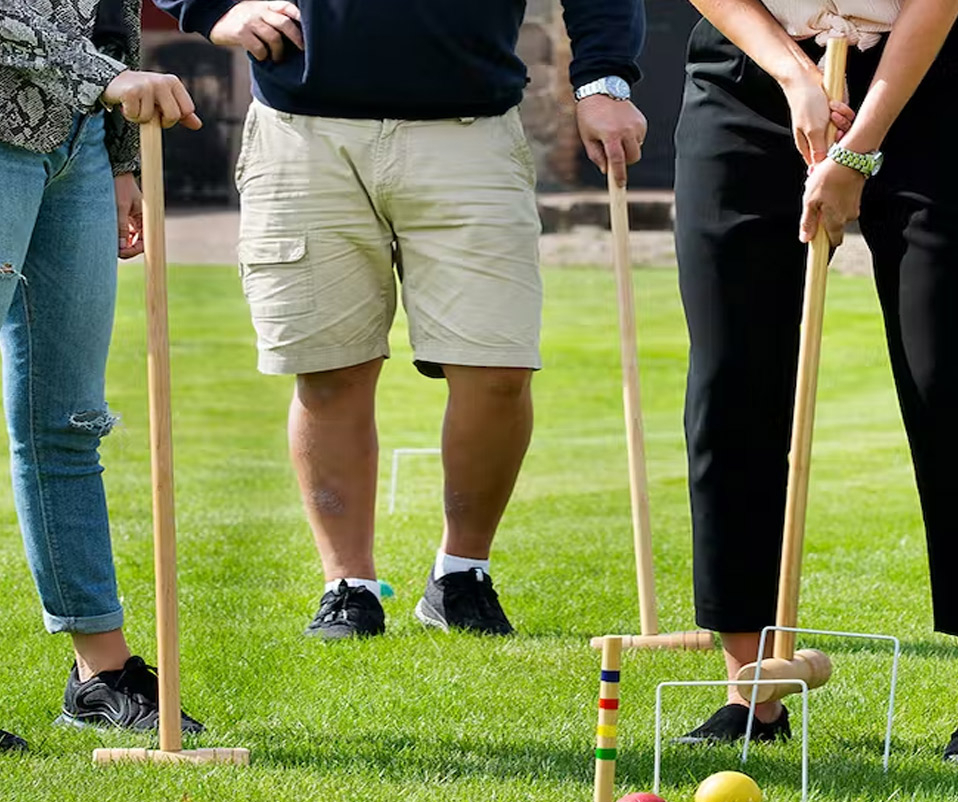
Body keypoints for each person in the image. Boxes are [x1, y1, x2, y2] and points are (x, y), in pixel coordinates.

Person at [155, 0, 648, 639]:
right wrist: (212, 7)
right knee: (329, 370)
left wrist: (602, 82)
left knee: (498, 369)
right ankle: (348, 586)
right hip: (303, 131)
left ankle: (461, 575)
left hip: (471, 127)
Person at [671, 0, 958, 762]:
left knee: (950, 382)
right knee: (728, 384)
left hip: (937, 82)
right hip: (757, 74)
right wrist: (793, 72)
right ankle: (752, 692)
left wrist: (859, 151)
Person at [0, 0, 206, 752]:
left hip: (77, 147)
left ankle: (101, 674)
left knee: (69, 420)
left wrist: (120, 155)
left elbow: (112, 13)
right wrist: (106, 79)